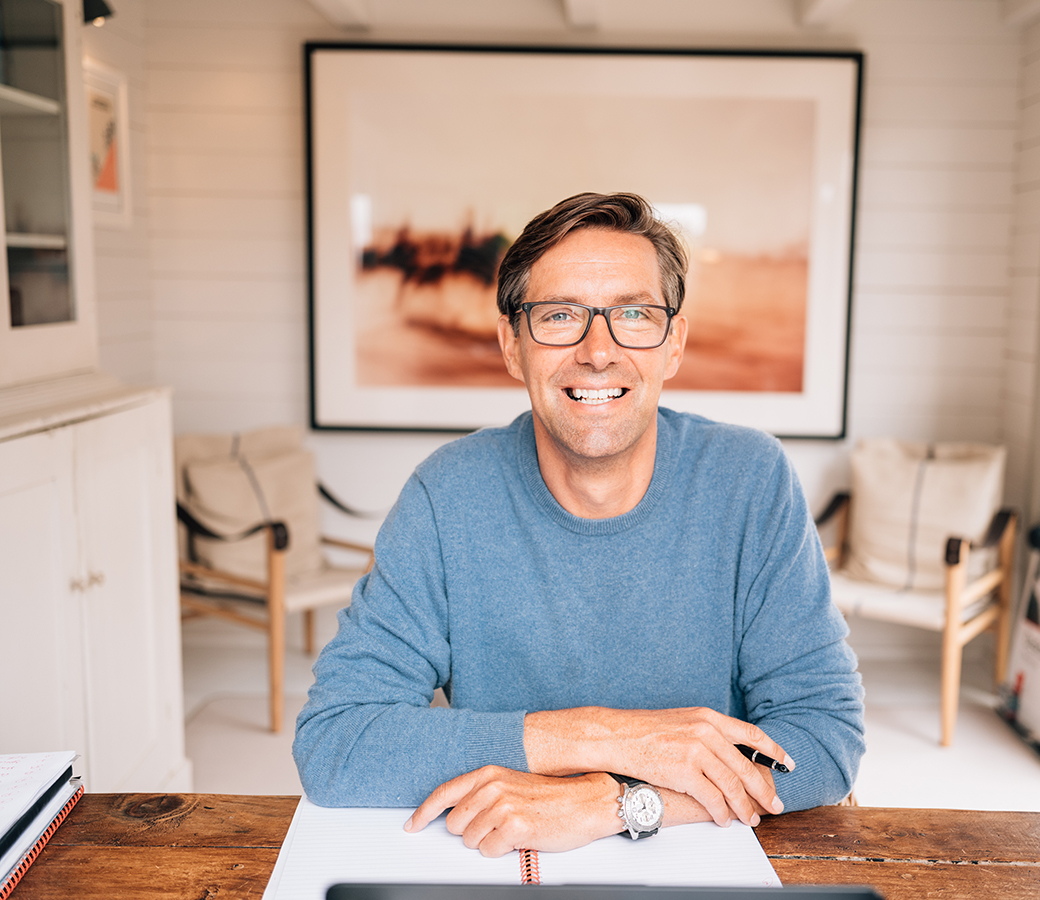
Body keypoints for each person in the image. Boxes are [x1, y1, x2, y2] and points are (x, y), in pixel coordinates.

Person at [293, 191, 865, 858]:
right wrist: (603, 738)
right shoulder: (446, 496)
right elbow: (336, 741)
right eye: (561, 315)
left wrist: (618, 803)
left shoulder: (751, 481)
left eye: (633, 314)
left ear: (673, 343)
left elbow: (824, 734)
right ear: (512, 344)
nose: (599, 351)